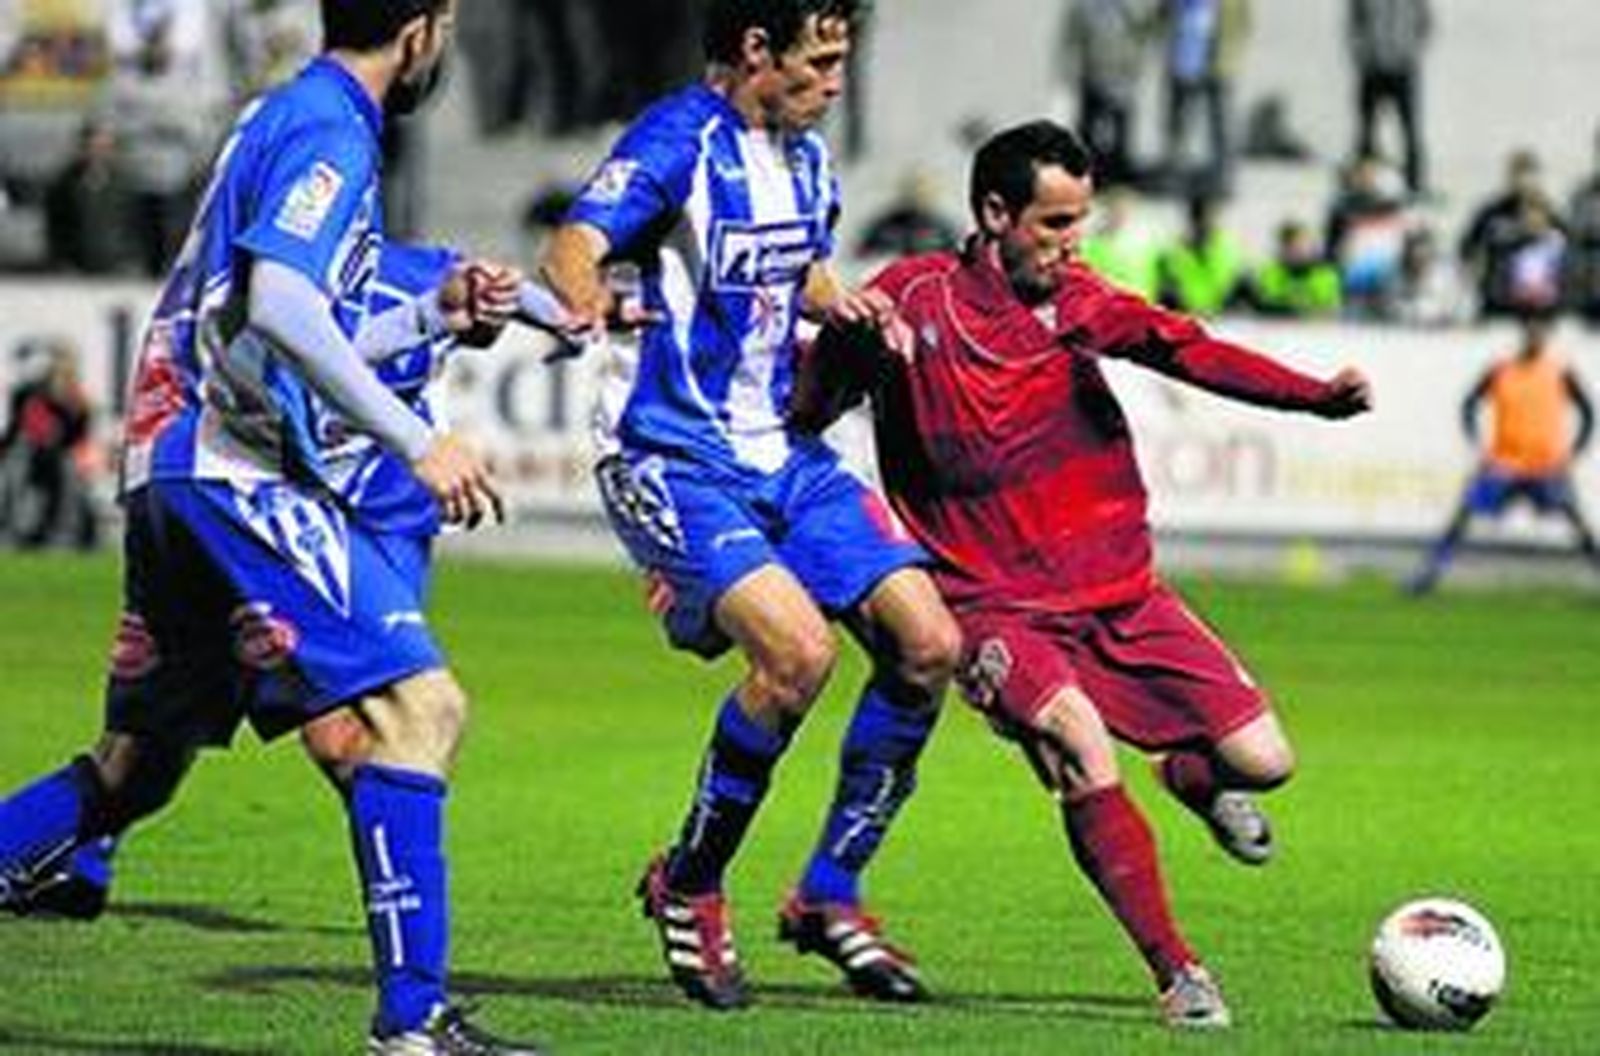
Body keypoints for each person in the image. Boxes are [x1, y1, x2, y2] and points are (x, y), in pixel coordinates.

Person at [0, 4, 545, 1052]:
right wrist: (415, 438)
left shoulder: (275, 116)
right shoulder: (331, 126)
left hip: (173, 467)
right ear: (425, 27)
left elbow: (280, 318)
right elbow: (283, 308)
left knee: (135, 770)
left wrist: (430, 317)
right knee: (419, 711)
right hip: (227, 468)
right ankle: (413, 1021)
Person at [791, 120, 1373, 1028]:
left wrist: (1314, 397)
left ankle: (1191, 779)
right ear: (994, 213)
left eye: (1081, 221)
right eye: (1055, 223)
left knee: (1266, 761)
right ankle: (1178, 973)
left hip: (1119, 593)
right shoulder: (907, 305)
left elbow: (1189, 349)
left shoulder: (1082, 304)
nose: (1074, 244)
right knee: (1079, 747)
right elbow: (803, 412)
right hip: (990, 607)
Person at [541, 0, 962, 1011]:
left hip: (786, 450)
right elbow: (574, 243)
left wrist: (843, 300)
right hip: (670, 451)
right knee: (798, 656)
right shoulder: (676, 139)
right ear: (754, 50)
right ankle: (689, 880)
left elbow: (794, 269)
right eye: (819, 61)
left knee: (928, 645)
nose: (835, 80)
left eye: (843, 59)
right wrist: (579, 292)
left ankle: (827, 892)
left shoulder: (807, 158)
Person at [1407, 316, 1599, 594]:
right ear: (1522, 337)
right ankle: (1429, 574)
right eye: (1530, 333)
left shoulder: (1560, 371)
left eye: (1540, 334)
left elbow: (1588, 412)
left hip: (1546, 466)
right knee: (1464, 514)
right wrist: (1478, 447)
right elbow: (1469, 405)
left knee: (1578, 521)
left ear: (1545, 339)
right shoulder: (1501, 370)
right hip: (1504, 465)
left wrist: (1575, 452)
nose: (1534, 338)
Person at [0, 341, 97, 548]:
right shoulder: (33, 394)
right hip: (35, 456)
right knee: (20, 488)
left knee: (63, 493)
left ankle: (60, 534)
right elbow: (19, 427)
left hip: (61, 458)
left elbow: (78, 434)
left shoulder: (76, 399)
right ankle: (22, 532)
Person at [1347, 0, 1432, 196]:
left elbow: (1425, 23)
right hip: (1373, 68)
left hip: (1403, 69)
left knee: (1409, 129)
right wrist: (1362, 55)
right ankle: (1363, 185)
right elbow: (1354, 25)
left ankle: (1414, 183)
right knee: (1366, 132)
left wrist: (1412, 53)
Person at [1240, 219, 1343, 318]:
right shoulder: (1270, 272)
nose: (1296, 250)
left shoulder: (1326, 275)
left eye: (1300, 244)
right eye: (1289, 245)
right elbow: (1265, 305)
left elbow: (1327, 313)